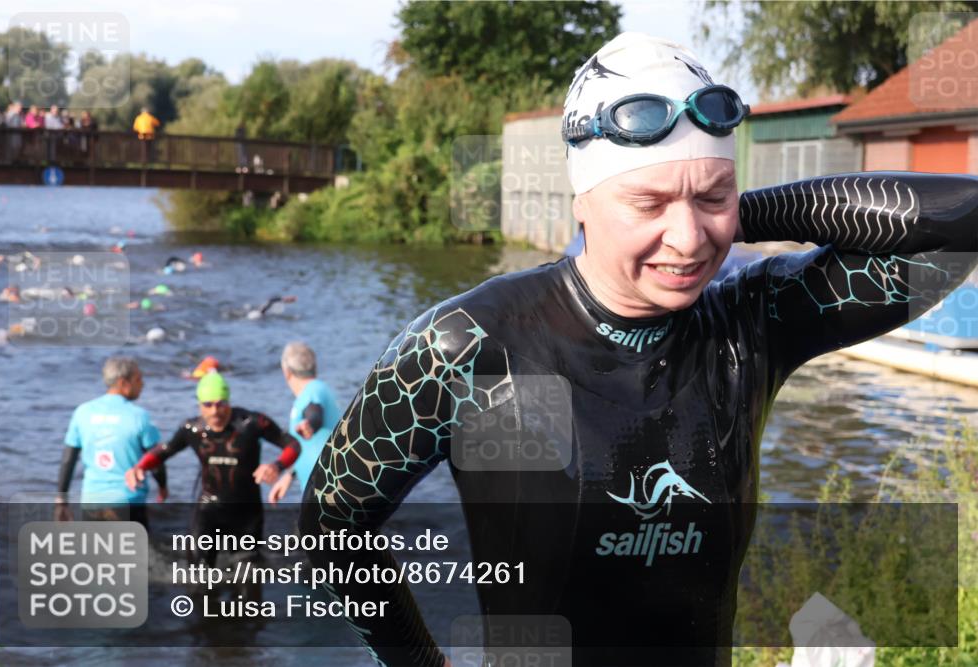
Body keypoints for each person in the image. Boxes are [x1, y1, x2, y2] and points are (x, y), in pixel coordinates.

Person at [297, 32, 978, 667]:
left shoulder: (755, 324)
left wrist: (742, 214)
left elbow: (961, 222)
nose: (687, 238)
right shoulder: (470, 345)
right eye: (649, 204)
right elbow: (332, 523)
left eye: (713, 195)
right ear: (582, 204)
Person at [125, 373, 300, 596]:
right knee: (199, 585)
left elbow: (293, 445)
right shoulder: (192, 429)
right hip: (209, 510)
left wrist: (276, 466)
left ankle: (247, 628)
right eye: (208, 405)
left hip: (246, 515)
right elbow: (163, 452)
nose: (215, 411)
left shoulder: (252, 423)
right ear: (200, 406)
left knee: (249, 591)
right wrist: (139, 467)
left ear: (229, 402)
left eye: (220, 404)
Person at [56, 356, 167, 527]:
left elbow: (68, 459)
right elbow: (156, 460)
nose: (142, 384)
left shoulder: (83, 412)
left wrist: (61, 499)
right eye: (138, 379)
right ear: (124, 383)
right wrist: (163, 486)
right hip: (129, 502)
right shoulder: (139, 416)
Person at [269, 342, 341, 503]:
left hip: (328, 490)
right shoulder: (314, 391)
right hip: (321, 488)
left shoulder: (314, 390)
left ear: (286, 372)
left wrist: (309, 424)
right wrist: (289, 476)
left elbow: (315, 414)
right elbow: (305, 446)